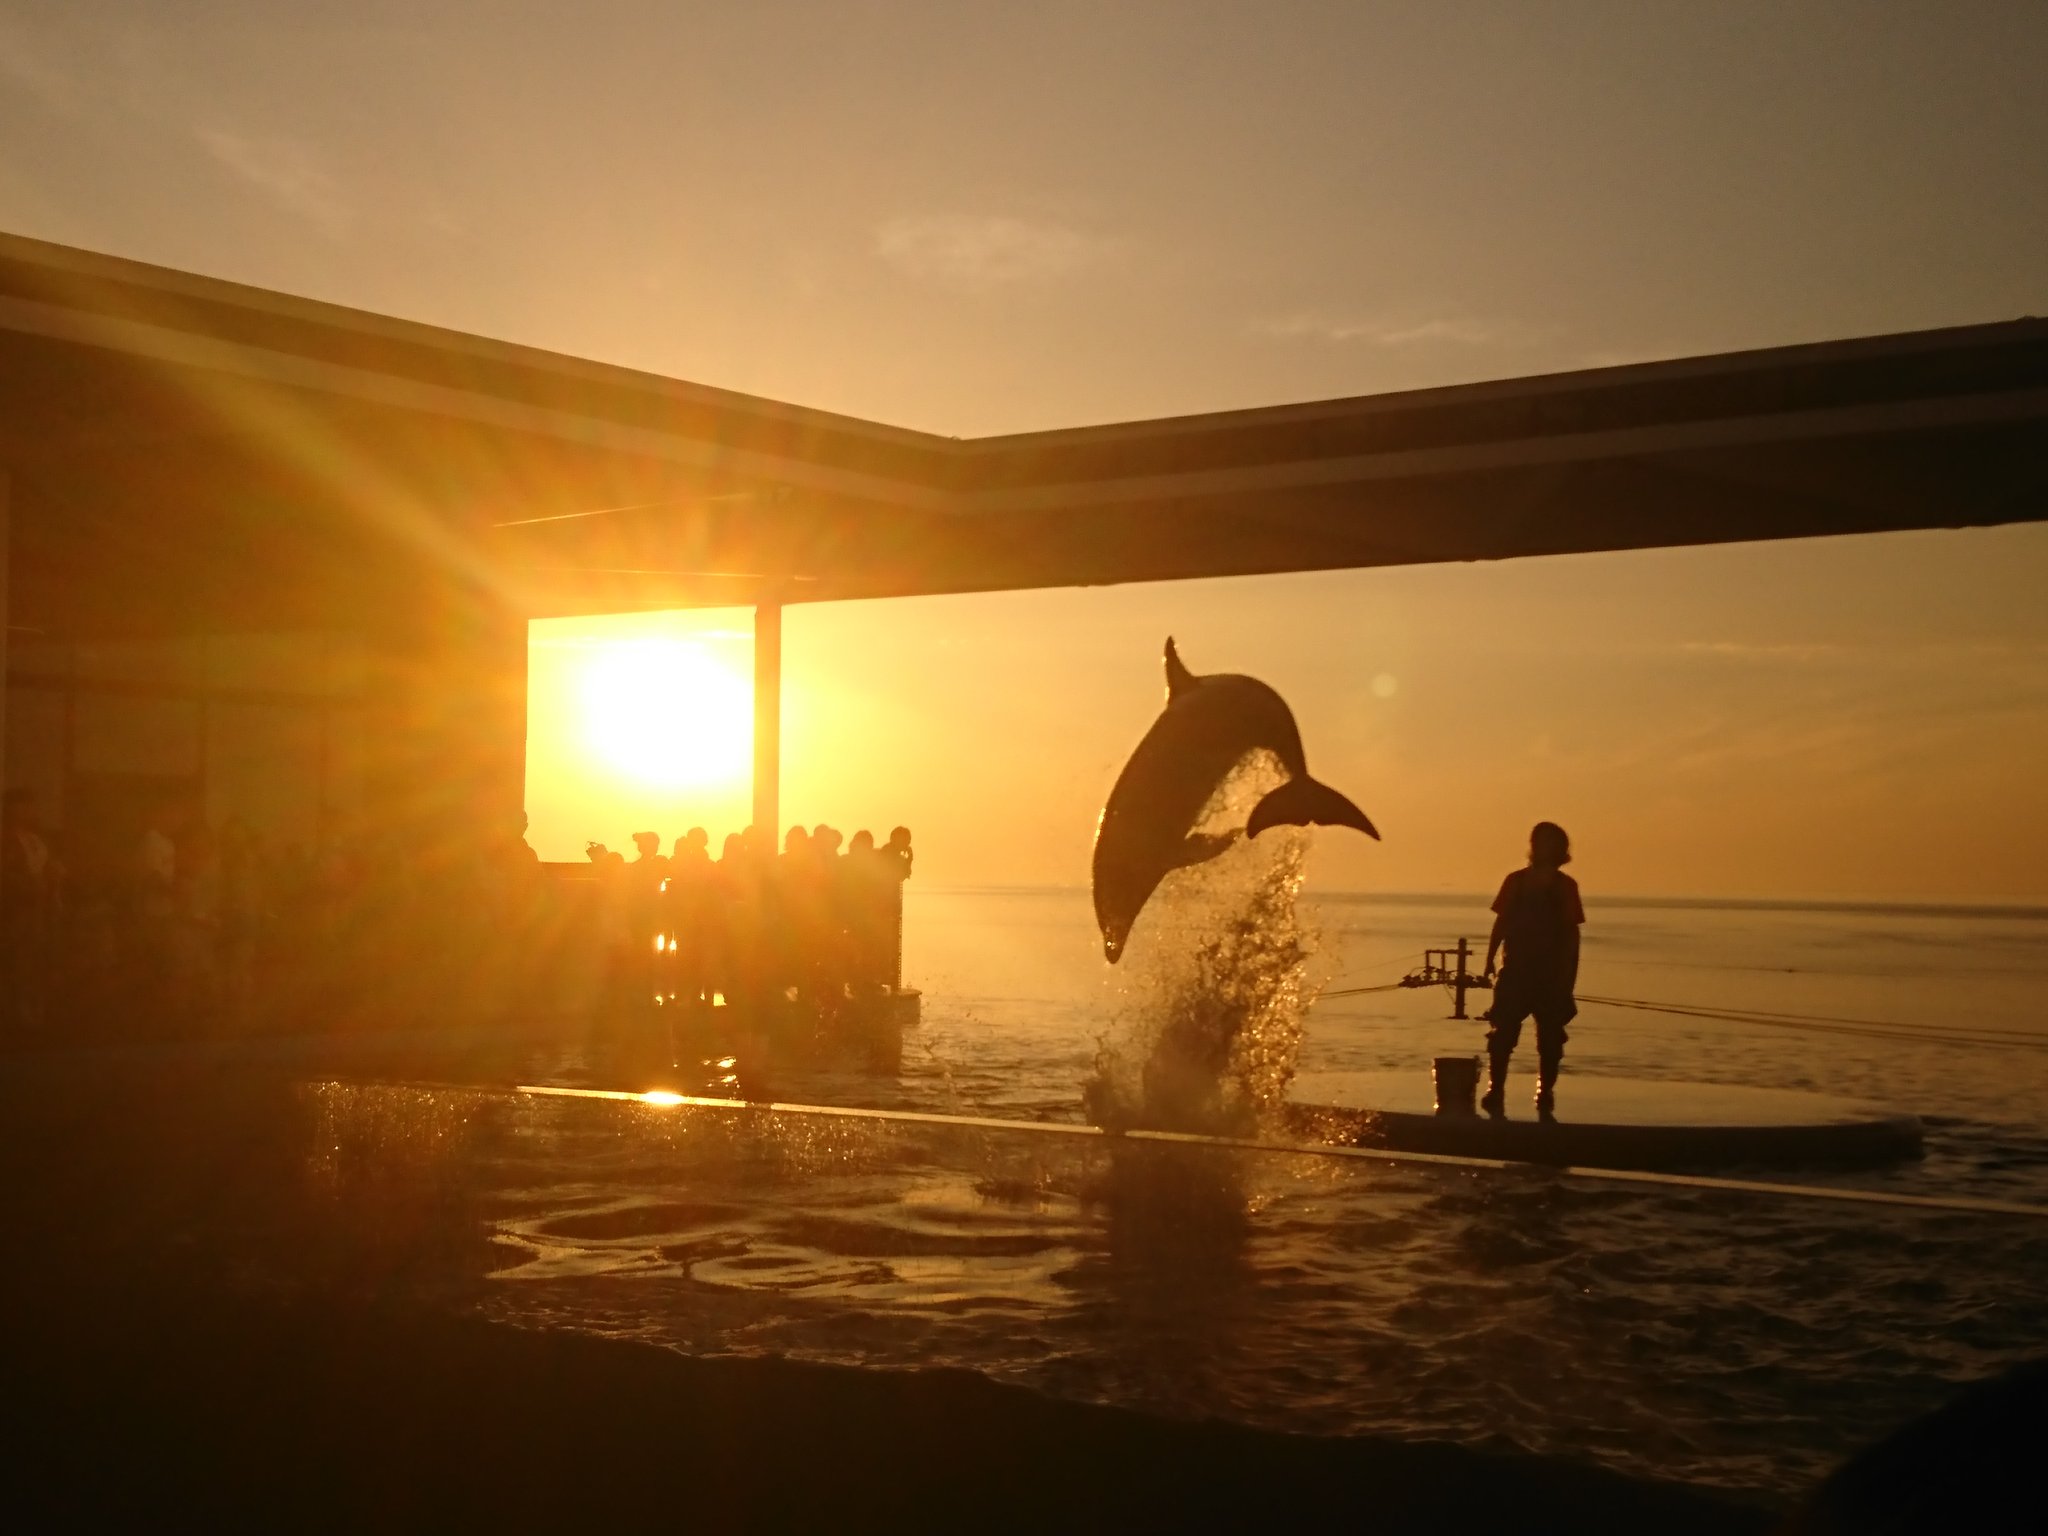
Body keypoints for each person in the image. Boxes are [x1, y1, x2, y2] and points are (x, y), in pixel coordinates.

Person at [1480, 821, 1584, 1118]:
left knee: (1550, 1039)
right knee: (1502, 1035)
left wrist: (1568, 981)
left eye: (1550, 842)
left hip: (1551, 976)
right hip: (1515, 972)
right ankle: (1495, 1090)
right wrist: (1489, 959)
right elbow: (1500, 922)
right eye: (1540, 841)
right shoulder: (1515, 881)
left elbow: (1572, 936)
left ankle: (1545, 1093)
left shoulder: (1566, 887)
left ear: (1560, 849)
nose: (1543, 847)